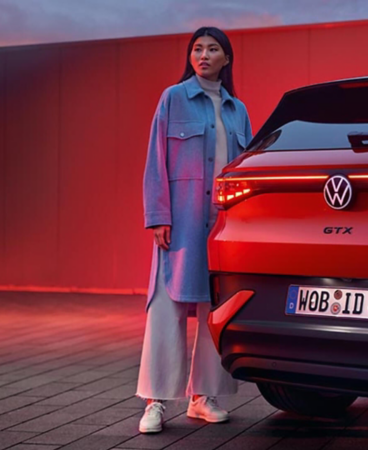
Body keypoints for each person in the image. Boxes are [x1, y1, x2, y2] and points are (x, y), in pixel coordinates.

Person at [137, 26, 253, 434]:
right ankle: (155, 401)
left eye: (212, 49)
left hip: (222, 224)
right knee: (166, 307)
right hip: (181, 222)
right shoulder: (173, 98)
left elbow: (245, 170)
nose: (203, 55)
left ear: (227, 58)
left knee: (216, 309)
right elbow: (156, 160)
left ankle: (203, 397)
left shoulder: (238, 110)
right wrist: (158, 216)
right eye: (197, 49)